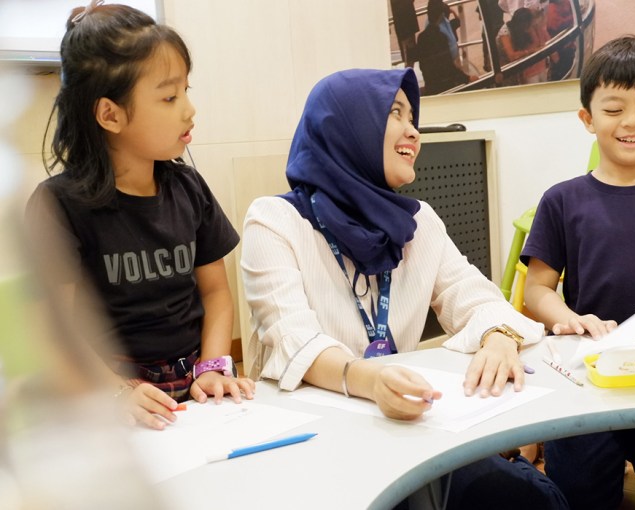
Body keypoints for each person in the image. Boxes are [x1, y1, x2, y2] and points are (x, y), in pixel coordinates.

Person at [241, 67, 568, 509]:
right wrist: (371, 381)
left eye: (413, 117)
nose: (413, 131)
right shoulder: (274, 220)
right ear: (346, 128)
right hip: (315, 439)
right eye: (395, 114)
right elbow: (294, 340)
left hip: (406, 427)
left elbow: (477, 299)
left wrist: (498, 338)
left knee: (533, 500)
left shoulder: (419, 222)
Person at [25, 1, 254, 431]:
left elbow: (217, 295)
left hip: (195, 393)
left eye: (187, 90)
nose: (189, 109)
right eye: (169, 96)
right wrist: (117, 390)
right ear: (109, 114)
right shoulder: (58, 205)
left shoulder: (189, 188)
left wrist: (213, 366)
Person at [521, 36, 635, 510]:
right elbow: (536, 289)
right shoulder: (562, 200)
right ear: (588, 118)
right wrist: (565, 317)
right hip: (589, 378)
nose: (632, 122)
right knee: (578, 495)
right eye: (615, 108)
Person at [417, 0, 475, 94]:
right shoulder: (441, 37)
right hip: (444, 86)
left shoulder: (421, 38)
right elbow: (448, 66)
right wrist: (467, 78)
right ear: (441, 16)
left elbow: (422, 66)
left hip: (430, 84)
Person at [390, 0, 420, 68]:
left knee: (409, 54)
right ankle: (408, 71)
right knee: (409, 53)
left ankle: (408, 69)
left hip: (403, 21)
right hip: (406, 20)